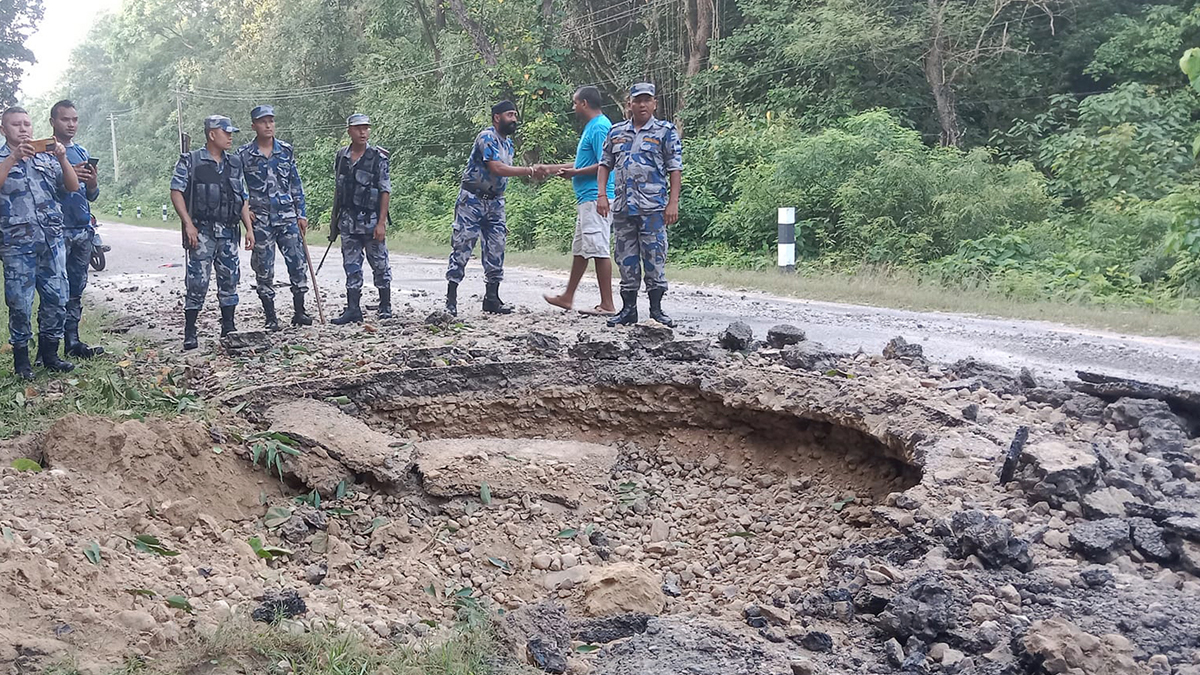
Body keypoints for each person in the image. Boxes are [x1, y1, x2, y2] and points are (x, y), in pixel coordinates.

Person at [444, 101, 549, 316]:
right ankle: (451, 298)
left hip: (495, 202)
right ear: (497, 117)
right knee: (463, 246)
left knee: (497, 247)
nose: (514, 119)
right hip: (472, 200)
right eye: (510, 115)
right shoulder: (487, 137)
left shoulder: (508, 144)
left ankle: (492, 298)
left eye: (515, 115)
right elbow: (497, 168)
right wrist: (529, 170)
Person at [0, 106, 80, 379]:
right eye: (15, 125)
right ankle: (22, 361)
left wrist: (62, 158)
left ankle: (49, 354)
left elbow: (71, 187)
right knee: (20, 304)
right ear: (4, 130)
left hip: (52, 241)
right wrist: (12, 158)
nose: (23, 129)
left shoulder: (45, 157)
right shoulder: (2, 158)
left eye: (26, 124)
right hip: (16, 244)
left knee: (57, 299)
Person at [597, 82, 682, 328]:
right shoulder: (616, 132)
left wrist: (673, 202)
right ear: (629, 104)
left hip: (653, 208)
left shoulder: (665, 132)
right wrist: (602, 195)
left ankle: (656, 310)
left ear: (654, 103)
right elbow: (605, 164)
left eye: (647, 100)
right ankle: (629, 310)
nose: (642, 104)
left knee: (655, 258)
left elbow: (674, 168)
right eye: (637, 100)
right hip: (624, 208)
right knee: (626, 259)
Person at [169, 115, 255, 350]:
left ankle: (228, 326)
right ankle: (190, 330)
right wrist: (188, 224)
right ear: (211, 134)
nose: (230, 137)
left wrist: (248, 228)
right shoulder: (192, 161)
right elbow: (176, 191)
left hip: (228, 231)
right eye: (225, 132)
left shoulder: (235, 163)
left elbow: (242, 197)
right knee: (197, 282)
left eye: (231, 133)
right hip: (202, 230)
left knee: (230, 280)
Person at [542, 86, 617, 316]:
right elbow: (582, 163)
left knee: (598, 248)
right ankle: (567, 296)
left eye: (575, 103)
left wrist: (575, 175)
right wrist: (550, 169)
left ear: (584, 103)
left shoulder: (600, 127)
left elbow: (605, 163)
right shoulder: (591, 127)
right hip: (586, 198)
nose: (573, 107)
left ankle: (607, 304)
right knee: (581, 249)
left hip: (597, 197)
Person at [238, 104, 312, 330]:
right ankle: (271, 317)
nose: (268, 125)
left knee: (298, 265)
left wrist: (301, 213)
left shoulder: (286, 151)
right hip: (261, 220)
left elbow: (295, 183)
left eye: (271, 120)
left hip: (287, 217)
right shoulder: (244, 155)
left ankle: (300, 311)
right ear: (254, 126)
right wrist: (245, 210)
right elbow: (237, 187)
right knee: (263, 269)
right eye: (263, 121)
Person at [49, 99, 104, 359]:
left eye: (75, 119)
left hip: (82, 229)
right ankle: (49, 349)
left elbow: (92, 195)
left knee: (76, 289)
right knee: (54, 291)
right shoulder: (45, 152)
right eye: (65, 119)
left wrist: (92, 182)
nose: (71, 124)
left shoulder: (81, 152)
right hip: (57, 230)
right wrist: (66, 177)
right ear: (53, 122)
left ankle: (73, 341)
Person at [329, 113, 391, 324]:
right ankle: (353, 309)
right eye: (358, 128)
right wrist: (334, 222)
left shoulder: (378, 158)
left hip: (371, 219)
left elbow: (385, 191)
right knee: (351, 265)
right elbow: (338, 191)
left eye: (366, 128)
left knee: (380, 264)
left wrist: (381, 223)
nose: (363, 132)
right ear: (349, 131)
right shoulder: (341, 157)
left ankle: (385, 306)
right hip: (347, 221)